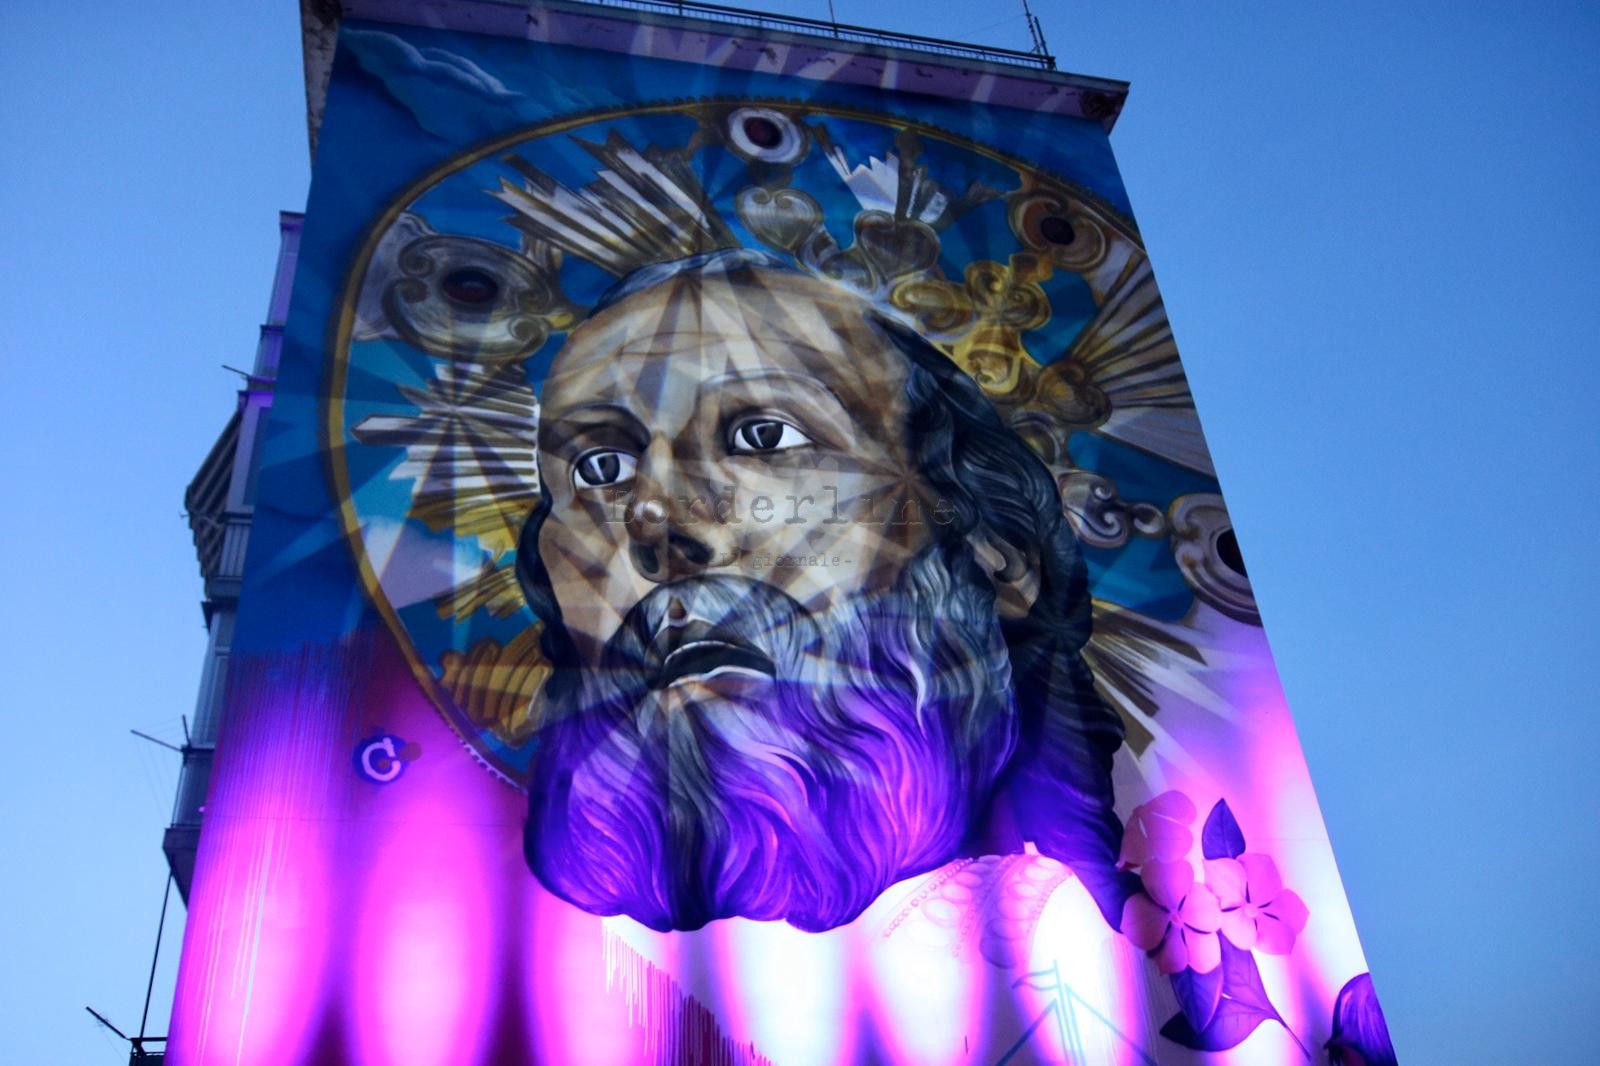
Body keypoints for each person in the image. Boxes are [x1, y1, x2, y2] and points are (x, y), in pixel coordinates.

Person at [515, 249, 1130, 937]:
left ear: (994, 557)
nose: (655, 520)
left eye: (763, 436)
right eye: (599, 468)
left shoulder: (1094, 945)